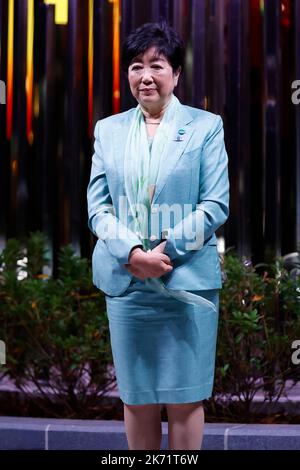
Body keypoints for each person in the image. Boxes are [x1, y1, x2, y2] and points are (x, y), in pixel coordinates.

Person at [87, 21, 229, 450]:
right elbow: (99, 208)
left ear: (175, 73)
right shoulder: (107, 130)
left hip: (185, 282)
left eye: (156, 65)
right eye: (135, 66)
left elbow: (215, 204)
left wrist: (164, 253)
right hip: (127, 281)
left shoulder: (206, 126)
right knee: (138, 397)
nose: (145, 75)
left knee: (186, 399)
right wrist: (132, 252)